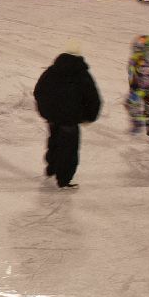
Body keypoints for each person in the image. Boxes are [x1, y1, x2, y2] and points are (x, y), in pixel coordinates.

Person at [33, 41, 102, 189]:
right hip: (70, 119)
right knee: (69, 150)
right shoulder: (82, 74)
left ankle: (51, 170)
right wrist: (90, 116)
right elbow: (92, 97)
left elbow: (39, 91)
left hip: (53, 118)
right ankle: (64, 180)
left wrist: (46, 111)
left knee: (54, 142)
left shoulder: (52, 71)